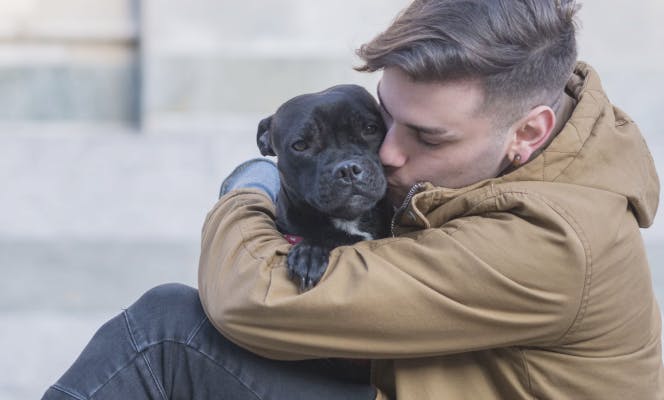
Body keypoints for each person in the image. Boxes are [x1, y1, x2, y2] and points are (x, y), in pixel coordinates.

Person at [43, 0, 662, 399]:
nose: (388, 155)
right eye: (384, 120)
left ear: (529, 130)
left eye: (426, 136)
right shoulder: (536, 154)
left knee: (164, 333)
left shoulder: (550, 242)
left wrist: (250, 183)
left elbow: (251, 299)